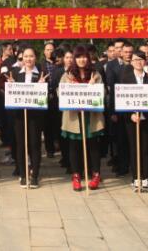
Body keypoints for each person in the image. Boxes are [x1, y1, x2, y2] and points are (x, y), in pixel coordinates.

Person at [60, 45, 105, 191]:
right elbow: (60, 93)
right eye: (78, 57)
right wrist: (70, 88)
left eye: (84, 56)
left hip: (91, 116)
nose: (82, 59)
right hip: (74, 117)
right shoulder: (67, 75)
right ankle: (76, 176)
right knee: (74, 147)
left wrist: (92, 87)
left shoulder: (95, 74)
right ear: (74, 59)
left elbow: (103, 93)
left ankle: (96, 175)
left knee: (93, 146)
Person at [9, 45, 49, 189]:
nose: (28, 59)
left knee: (34, 144)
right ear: (21, 58)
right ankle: (23, 174)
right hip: (19, 115)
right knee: (21, 144)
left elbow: (46, 95)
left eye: (31, 56)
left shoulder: (41, 73)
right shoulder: (15, 73)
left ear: (35, 58)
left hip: (35, 116)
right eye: (25, 56)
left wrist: (42, 86)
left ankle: (35, 175)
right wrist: (11, 86)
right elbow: (10, 93)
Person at [120, 50, 148, 192]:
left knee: (147, 148)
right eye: (135, 60)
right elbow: (122, 99)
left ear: (145, 61)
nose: (138, 62)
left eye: (141, 59)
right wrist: (130, 114)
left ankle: (146, 177)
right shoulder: (125, 78)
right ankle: (136, 177)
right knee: (134, 147)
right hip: (132, 119)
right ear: (131, 62)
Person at [105, 39, 132, 177]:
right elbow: (112, 88)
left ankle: (134, 166)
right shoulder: (111, 65)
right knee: (120, 139)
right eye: (120, 49)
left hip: (135, 106)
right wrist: (113, 111)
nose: (123, 51)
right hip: (119, 107)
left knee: (133, 139)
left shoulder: (136, 63)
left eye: (125, 49)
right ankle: (122, 166)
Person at [41, 42, 59, 159]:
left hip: (58, 97)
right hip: (46, 96)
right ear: (44, 52)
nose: (50, 52)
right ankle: (49, 149)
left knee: (57, 123)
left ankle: (58, 144)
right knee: (47, 125)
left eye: (51, 49)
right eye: (47, 50)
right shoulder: (40, 64)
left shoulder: (58, 64)